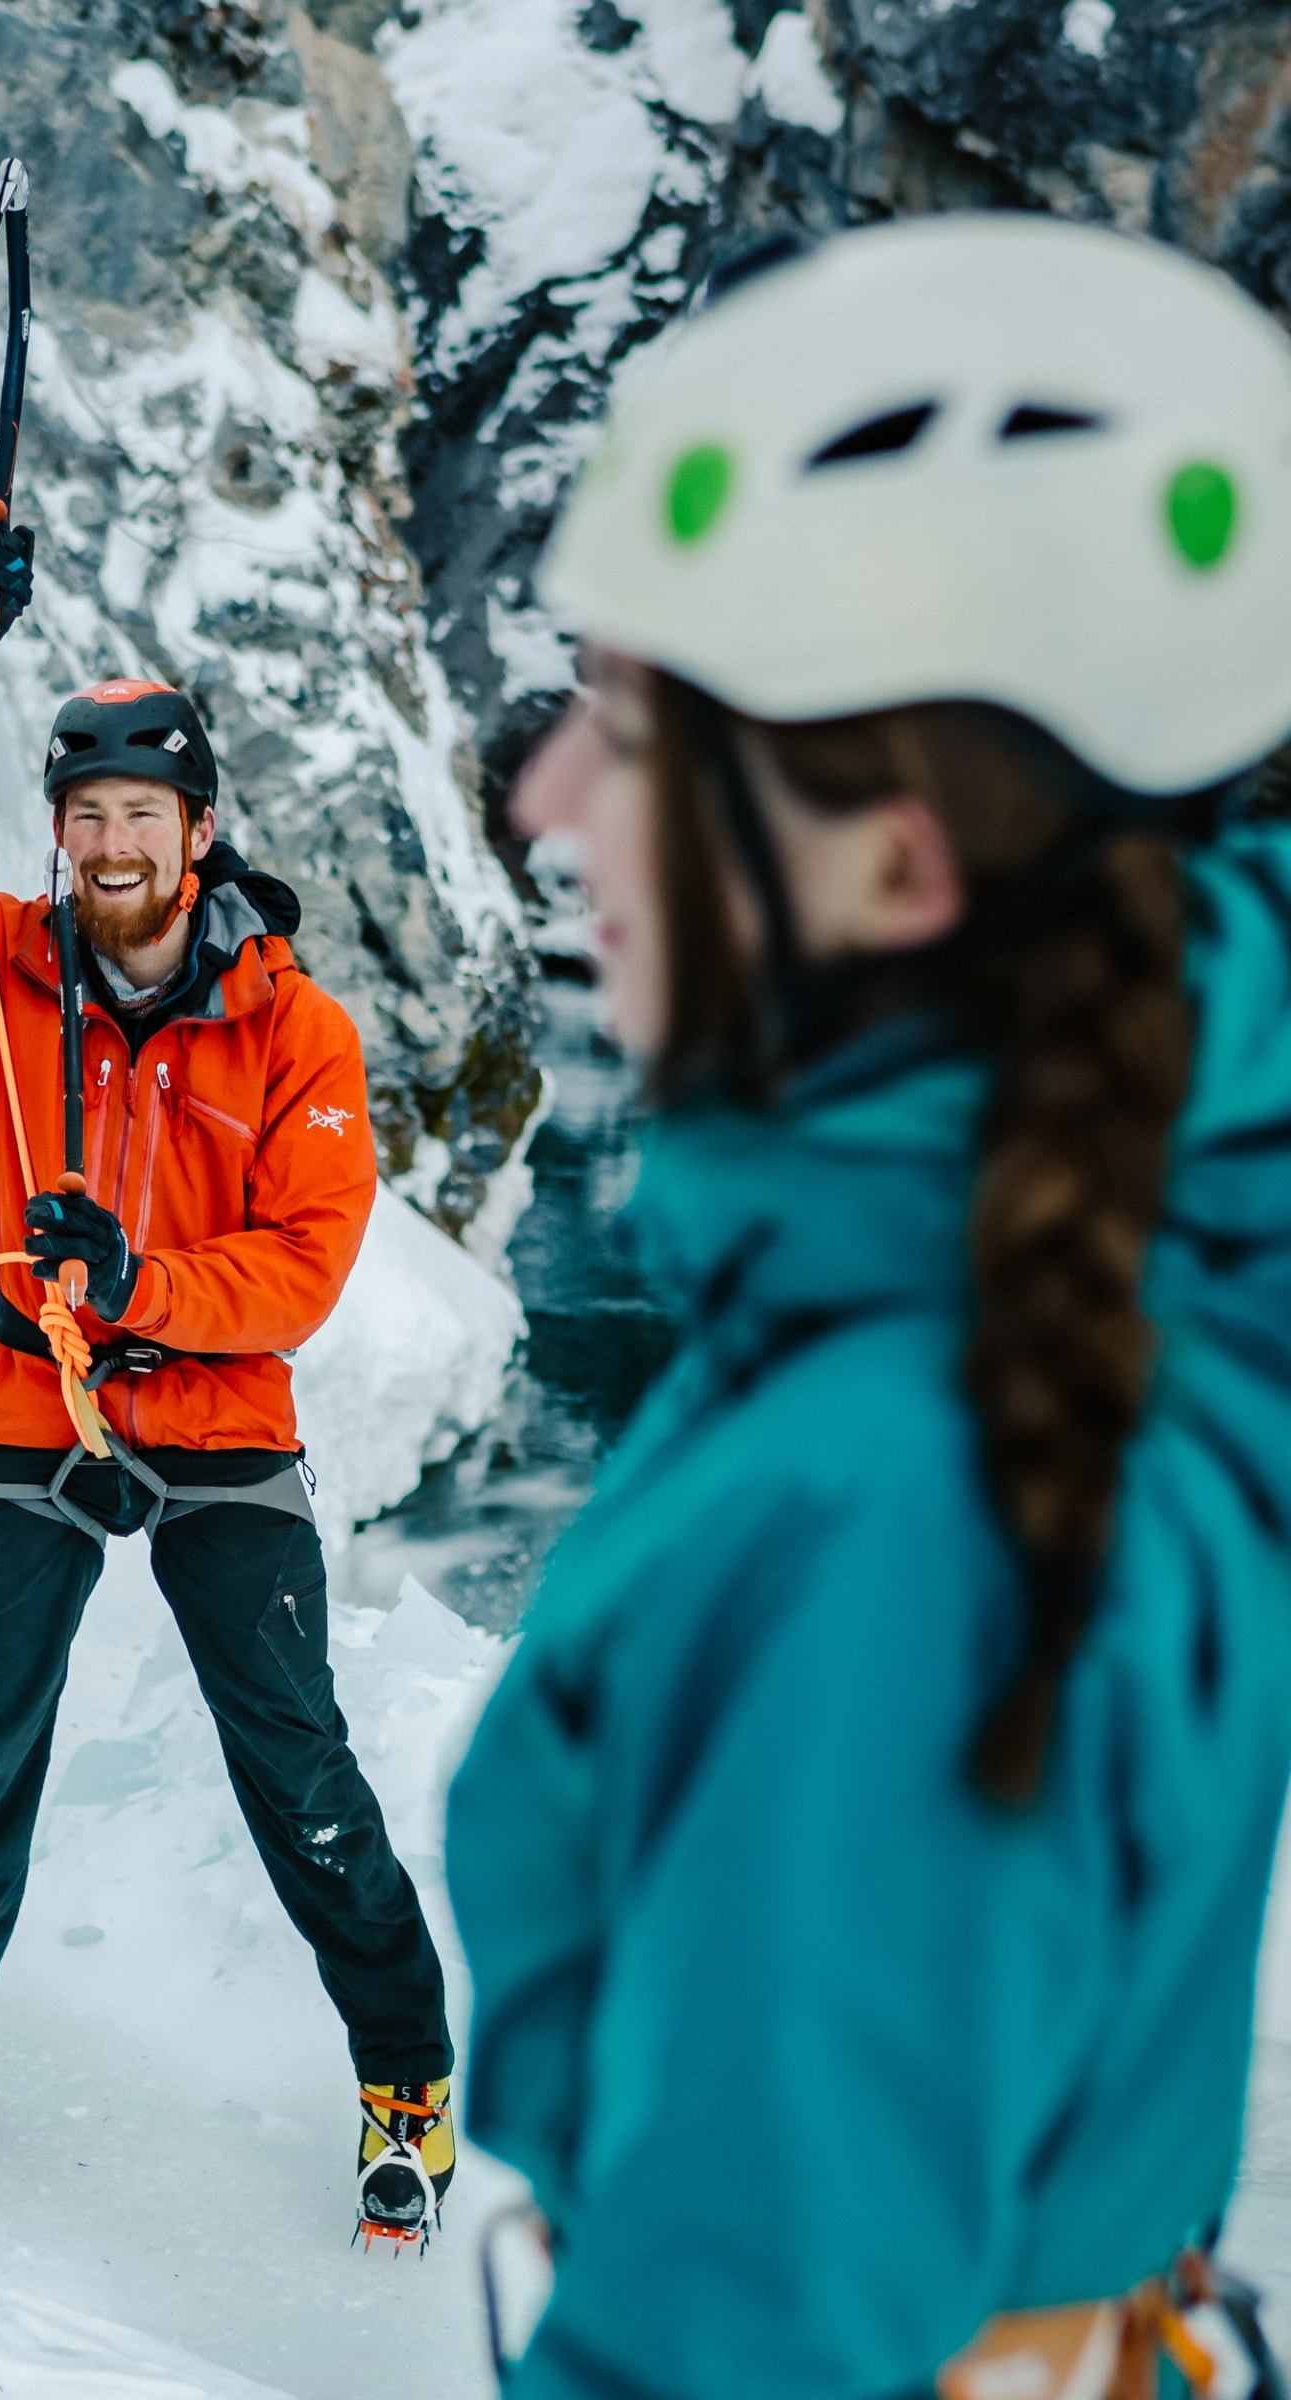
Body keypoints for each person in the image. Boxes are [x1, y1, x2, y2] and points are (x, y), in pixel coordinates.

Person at [446, 215, 1291, 2397]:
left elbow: (747, 2338)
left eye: (627, 733)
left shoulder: (901, 1512)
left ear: (896, 872)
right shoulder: (1104, 1234)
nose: (542, 801)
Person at [0, 516, 454, 2245]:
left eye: (140, 818)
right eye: (83, 817)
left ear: (197, 830)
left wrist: (144, 1286)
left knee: (299, 1770)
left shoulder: (295, 1029)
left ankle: (404, 2068)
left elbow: (304, 1270)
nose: (109, 846)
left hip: (220, 1419)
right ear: (64, 835)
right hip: (31, 1404)